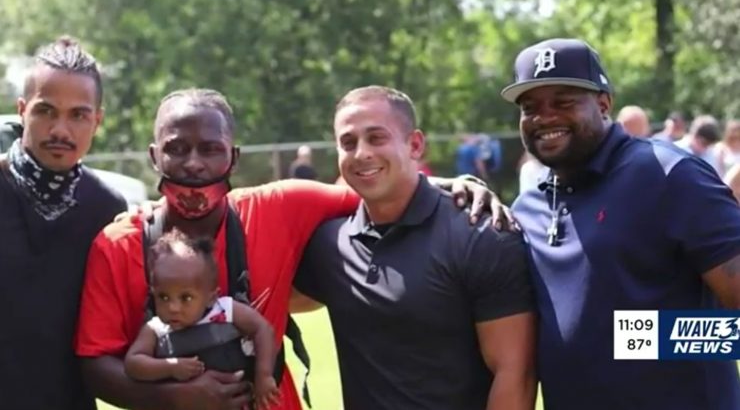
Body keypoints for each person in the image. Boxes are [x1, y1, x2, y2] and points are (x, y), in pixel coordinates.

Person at [75, 88, 507, 410]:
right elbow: (95, 366)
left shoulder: (280, 207)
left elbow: (380, 188)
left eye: (211, 149)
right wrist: (178, 397)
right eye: (176, 149)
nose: (193, 163)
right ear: (154, 156)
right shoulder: (118, 245)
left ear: (235, 157)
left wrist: (456, 186)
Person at [501, 37, 740, 410]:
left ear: (603, 103)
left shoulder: (667, 174)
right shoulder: (526, 205)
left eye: (563, 101)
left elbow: (732, 332)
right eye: (530, 107)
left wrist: (638, 337)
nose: (544, 117)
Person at [292, 86, 537, 410]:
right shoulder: (330, 244)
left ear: (415, 144)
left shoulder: (481, 234)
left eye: (376, 138)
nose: (361, 153)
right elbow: (270, 299)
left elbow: (515, 374)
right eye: (348, 143)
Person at [0, 36, 128, 410]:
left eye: (78, 115)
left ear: (97, 121)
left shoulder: (108, 210)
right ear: (22, 110)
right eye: (46, 111)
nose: (60, 130)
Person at [124, 230, 280, 409]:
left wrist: (264, 375)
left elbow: (262, 329)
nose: (173, 308)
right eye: (163, 297)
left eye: (186, 298)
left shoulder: (224, 310)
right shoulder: (156, 329)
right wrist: (170, 367)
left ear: (211, 297)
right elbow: (133, 363)